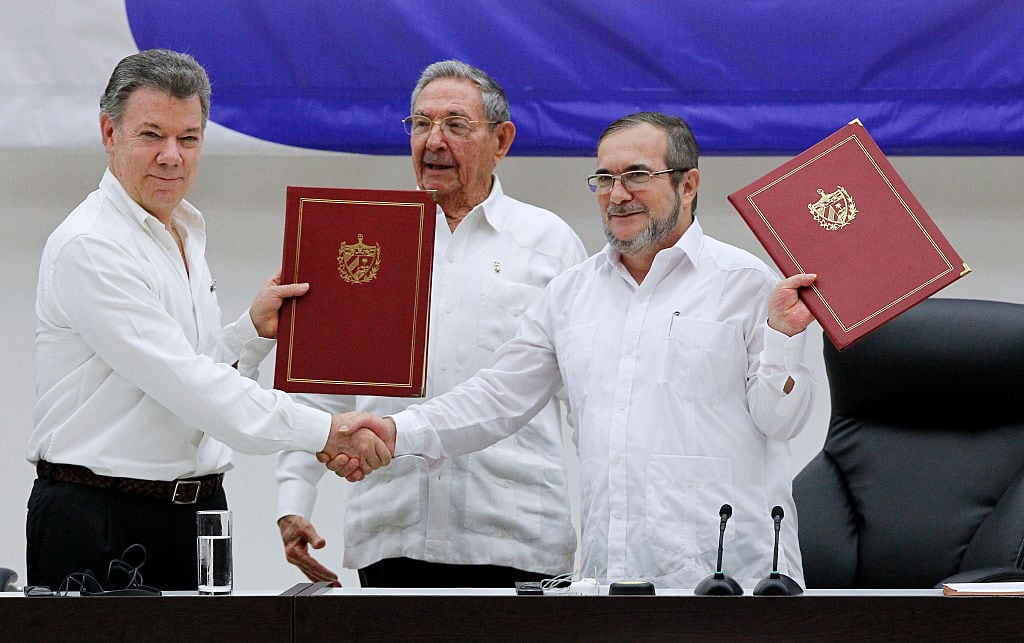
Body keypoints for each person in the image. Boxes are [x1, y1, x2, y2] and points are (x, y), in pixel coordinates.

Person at [329, 112, 820, 589]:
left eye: (637, 176)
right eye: (604, 179)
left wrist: (786, 339)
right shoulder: (571, 294)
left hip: (732, 579)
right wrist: (396, 431)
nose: (618, 195)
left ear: (688, 185)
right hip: (611, 579)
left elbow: (782, 422)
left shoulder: (747, 282)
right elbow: (497, 396)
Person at [26, 49, 385, 592]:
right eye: (152, 134)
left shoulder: (185, 229)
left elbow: (190, 381)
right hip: (99, 517)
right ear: (109, 132)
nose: (172, 155)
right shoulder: (91, 244)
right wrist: (327, 431)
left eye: (189, 138)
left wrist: (253, 332)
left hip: (196, 516)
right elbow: (190, 386)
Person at [269, 60, 587, 588]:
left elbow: (586, 395)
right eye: (420, 124)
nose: (433, 141)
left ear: (501, 140)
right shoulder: (362, 239)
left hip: (517, 538)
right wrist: (293, 500)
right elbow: (318, 387)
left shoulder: (549, 244)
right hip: (392, 531)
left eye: (456, 125)